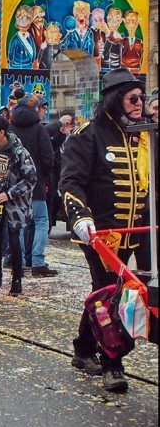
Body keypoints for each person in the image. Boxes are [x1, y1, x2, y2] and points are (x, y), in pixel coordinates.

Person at [59, 68, 150, 393]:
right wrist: (80, 217)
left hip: (136, 232)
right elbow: (70, 182)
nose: (141, 103)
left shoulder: (142, 136)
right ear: (116, 100)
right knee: (113, 294)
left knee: (108, 290)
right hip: (101, 235)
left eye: (142, 97)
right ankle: (113, 362)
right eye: (133, 98)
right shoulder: (89, 135)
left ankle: (83, 349)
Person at [0, 115, 37, 296]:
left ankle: (16, 280)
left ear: (1, 132)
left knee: (14, 240)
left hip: (15, 205)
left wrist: (10, 193)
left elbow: (31, 178)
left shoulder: (20, 152)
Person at [9, 94, 57, 277]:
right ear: (35, 108)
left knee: (19, 224)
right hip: (35, 184)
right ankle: (37, 262)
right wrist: (44, 174)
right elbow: (48, 157)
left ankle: (18, 262)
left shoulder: (10, 129)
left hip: (15, 185)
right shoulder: (38, 129)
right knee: (41, 222)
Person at [45, 113, 75, 229]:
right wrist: (59, 124)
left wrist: (62, 133)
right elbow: (44, 134)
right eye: (43, 108)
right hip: (46, 178)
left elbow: (52, 147)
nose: (44, 111)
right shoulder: (37, 129)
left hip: (57, 177)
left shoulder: (71, 137)